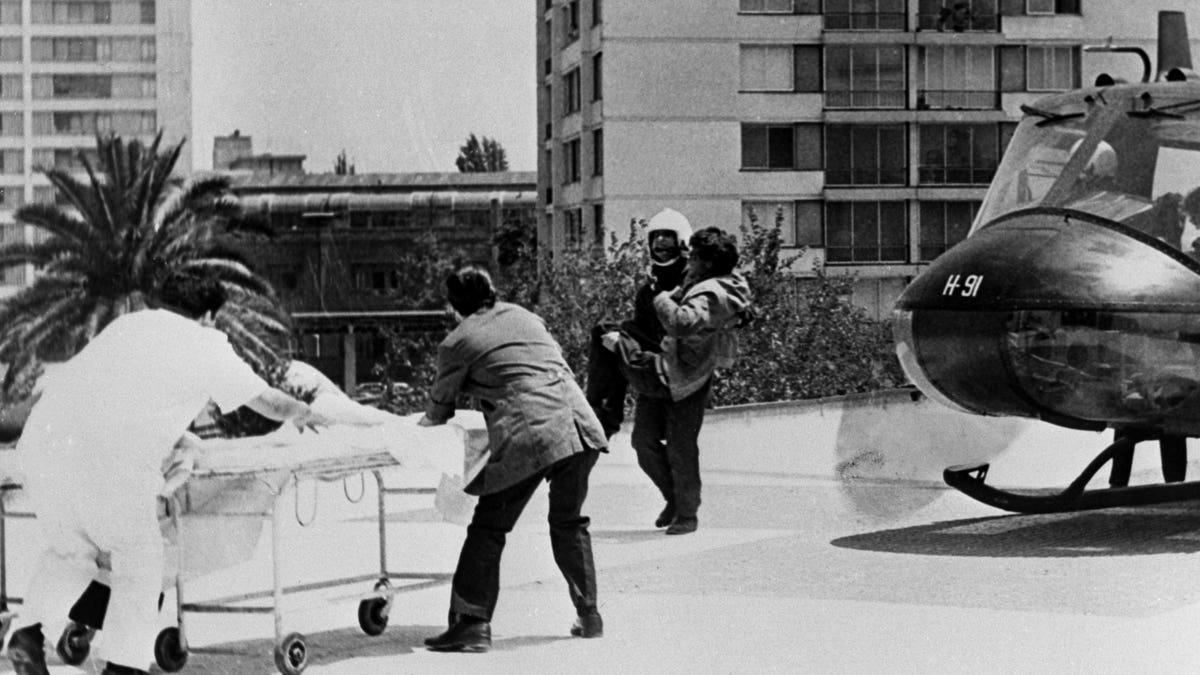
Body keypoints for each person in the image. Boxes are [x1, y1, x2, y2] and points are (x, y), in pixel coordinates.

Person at [4, 272, 329, 675]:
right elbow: (267, 402)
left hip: (41, 450)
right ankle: (123, 667)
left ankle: (27, 633)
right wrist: (306, 412)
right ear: (209, 315)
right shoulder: (207, 344)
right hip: (107, 465)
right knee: (139, 562)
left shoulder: (126, 325)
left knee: (72, 551)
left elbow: (122, 398)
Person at [419, 266, 607, 653]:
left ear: (455, 306)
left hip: (532, 434)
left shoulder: (457, 341)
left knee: (489, 528)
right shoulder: (525, 316)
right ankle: (589, 615)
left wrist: (417, 426)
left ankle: (471, 623)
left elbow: (439, 409)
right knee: (569, 523)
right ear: (492, 291)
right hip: (579, 423)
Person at [623, 227, 752, 535]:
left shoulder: (712, 291)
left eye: (694, 255)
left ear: (707, 262)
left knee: (681, 445)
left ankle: (687, 512)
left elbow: (682, 323)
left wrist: (661, 299)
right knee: (643, 441)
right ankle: (674, 499)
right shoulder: (696, 278)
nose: (687, 259)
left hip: (691, 374)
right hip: (664, 367)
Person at [585, 208, 692, 438]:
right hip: (653, 351)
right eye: (656, 236)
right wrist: (621, 338)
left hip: (673, 366)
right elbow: (642, 328)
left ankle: (605, 416)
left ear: (681, 239)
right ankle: (602, 412)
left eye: (667, 235)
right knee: (603, 332)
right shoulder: (648, 290)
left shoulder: (692, 284)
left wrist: (624, 346)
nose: (660, 241)